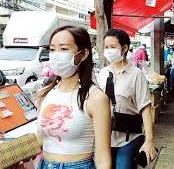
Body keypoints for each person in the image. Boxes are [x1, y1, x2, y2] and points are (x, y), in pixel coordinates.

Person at [36, 26, 112, 169]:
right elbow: (42, 138)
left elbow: (103, 158)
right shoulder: (45, 93)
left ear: (83, 54)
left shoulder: (96, 98)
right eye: (52, 49)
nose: (56, 55)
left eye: (64, 49)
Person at [97, 29, 157, 169]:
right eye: (106, 47)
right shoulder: (103, 73)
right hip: (105, 137)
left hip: (128, 138)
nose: (108, 50)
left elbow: (145, 108)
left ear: (124, 48)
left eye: (113, 47)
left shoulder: (136, 75)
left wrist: (149, 140)